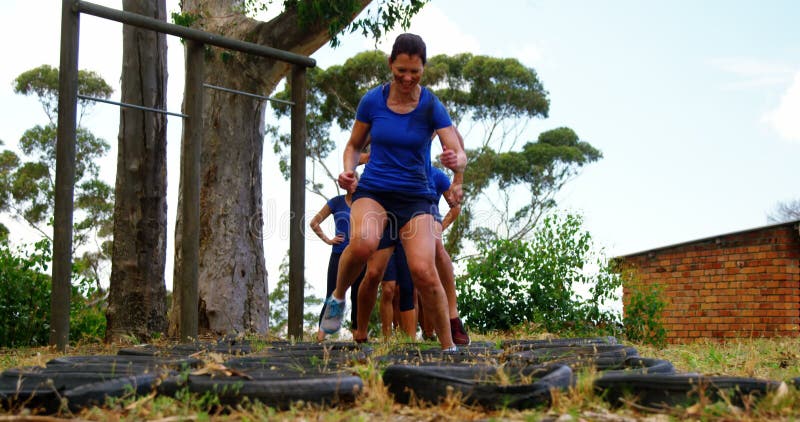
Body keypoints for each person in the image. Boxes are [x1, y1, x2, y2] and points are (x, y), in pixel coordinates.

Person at [320, 33, 467, 351]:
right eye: (401, 70)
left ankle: (448, 349)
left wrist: (457, 167)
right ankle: (336, 298)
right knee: (362, 245)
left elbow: (456, 149)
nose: (407, 77)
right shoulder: (373, 100)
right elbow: (354, 145)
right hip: (374, 190)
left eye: (414, 71)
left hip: (416, 197)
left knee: (423, 271)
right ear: (390, 64)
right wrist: (349, 170)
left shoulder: (430, 105)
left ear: (423, 69)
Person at [309, 192, 364, 341]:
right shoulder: (336, 202)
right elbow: (314, 222)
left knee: (358, 295)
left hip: (360, 255)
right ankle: (320, 336)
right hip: (339, 254)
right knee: (332, 293)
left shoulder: (364, 201)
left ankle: (357, 335)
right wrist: (328, 240)